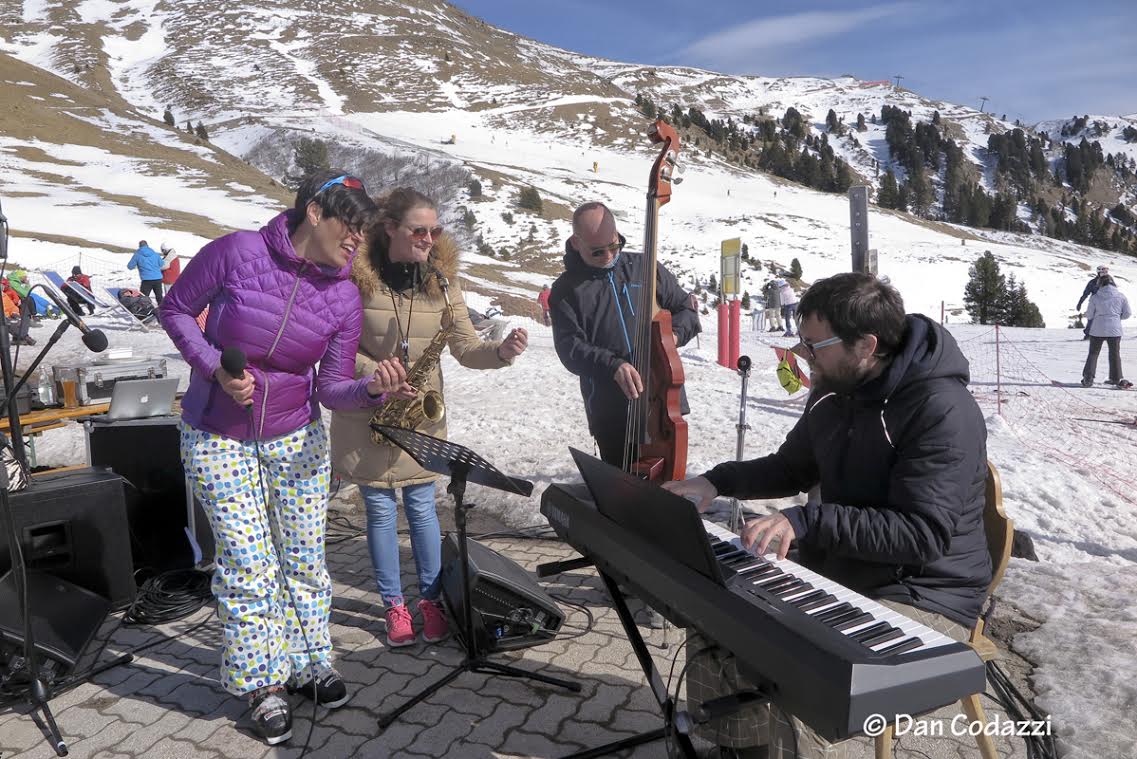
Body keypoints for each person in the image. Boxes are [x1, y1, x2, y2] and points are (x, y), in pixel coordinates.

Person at [663, 273, 991, 759]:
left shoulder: (941, 410)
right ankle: (737, 749)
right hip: (843, 569)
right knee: (721, 620)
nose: (804, 356)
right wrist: (716, 481)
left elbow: (922, 534)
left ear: (867, 344)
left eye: (815, 345)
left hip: (925, 592)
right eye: (803, 342)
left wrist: (805, 522)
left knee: (804, 679)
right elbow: (792, 466)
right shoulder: (835, 389)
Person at [159, 171, 415, 746]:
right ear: (317, 212)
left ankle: (307, 660)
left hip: (295, 436)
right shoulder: (236, 252)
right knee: (251, 563)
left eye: (364, 231)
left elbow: (331, 388)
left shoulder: (345, 296)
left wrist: (372, 390)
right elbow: (175, 309)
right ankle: (261, 683)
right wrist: (217, 371)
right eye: (351, 225)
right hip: (218, 434)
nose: (357, 240)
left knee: (302, 556)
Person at [329, 187, 527, 649]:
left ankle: (432, 601)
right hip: (368, 408)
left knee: (422, 509)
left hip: (420, 412)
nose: (428, 239)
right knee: (379, 509)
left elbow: (463, 346)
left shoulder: (442, 279)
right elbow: (335, 350)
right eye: (419, 230)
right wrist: (375, 374)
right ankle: (394, 605)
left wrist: (499, 352)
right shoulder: (352, 279)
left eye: (434, 230)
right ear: (389, 229)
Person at [549, 201, 700, 466]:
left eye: (614, 246)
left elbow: (686, 310)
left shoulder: (645, 266)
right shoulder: (565, 290)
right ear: (576, 243)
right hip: (611, 412)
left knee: (668, 491)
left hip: (663, 404)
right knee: (622, 495)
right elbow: (570, 348)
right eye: (597, 252)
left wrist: (671, 338)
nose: (608, 255)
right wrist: (612, 365)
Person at [1081, 274, 1131, 388]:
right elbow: (1127, 313)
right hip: (1115, 330)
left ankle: (1088, 378)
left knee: (1093, 353)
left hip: (1097, 329)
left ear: (1100, 284)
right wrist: (1116, 318)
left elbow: (1089, 315)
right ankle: (1116, 378)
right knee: (1114, 354)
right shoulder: (1121, 296)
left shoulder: (1095, 297)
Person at [1077, 265, 1110, 339]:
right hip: (1094, 304)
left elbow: (1115, 294)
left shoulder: (1110, 282)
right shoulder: (1093, 282)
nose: (1105, 275)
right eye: (1103, 273)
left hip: (1106, 304)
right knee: (1091, 319)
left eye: (1106, 273)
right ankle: (1088, 335)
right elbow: (1086, 293)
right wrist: (1080, 303)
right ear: (1098, 273)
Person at [128, 239, 165, 304]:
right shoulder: (155, 254)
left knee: (143, 297)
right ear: (147, 246)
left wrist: (137, 265)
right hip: (158, 278)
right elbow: (161, 264)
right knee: (159, 296)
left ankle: (144, 312)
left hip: (146, 279)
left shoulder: (137, 255)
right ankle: (162, 311)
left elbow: (130, 266)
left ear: (139, 246)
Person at [1, 277, 33, 345]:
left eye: (2, 286)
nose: (2, 287)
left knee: (24, 314)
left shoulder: (4, 295)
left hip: (8, 316)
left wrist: (14, 313)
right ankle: (23, 336)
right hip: (3, 318)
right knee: (8, 322)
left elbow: (11, 306)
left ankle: (20, 337)